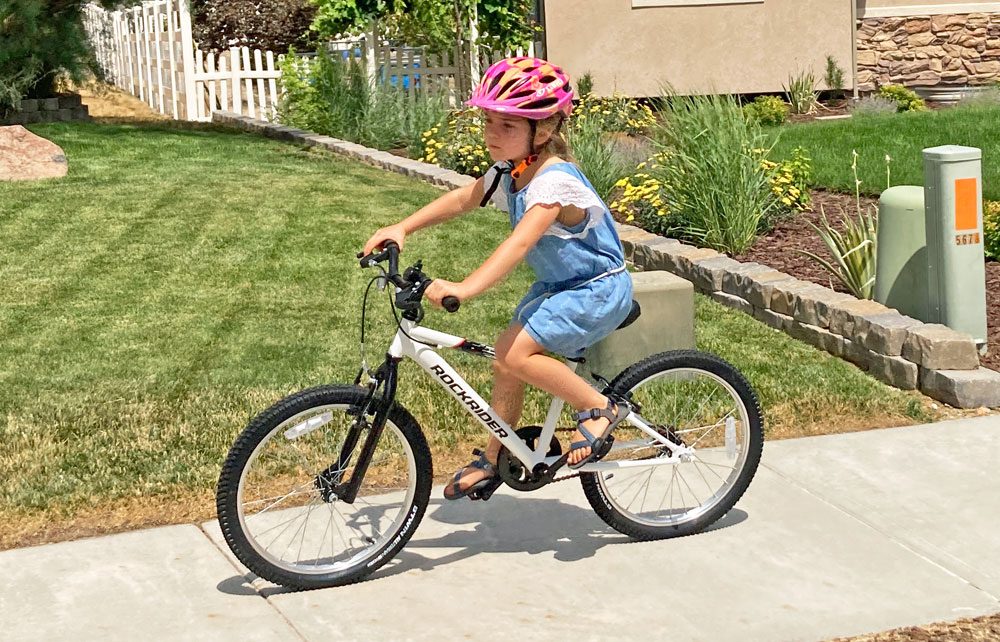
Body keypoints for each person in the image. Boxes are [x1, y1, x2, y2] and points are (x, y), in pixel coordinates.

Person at [362, 57, 633, 500]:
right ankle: (495, 458)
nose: (491, 134)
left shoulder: (554, 183)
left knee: (514, 354)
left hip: (596, 289)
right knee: (505, 361)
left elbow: (520, 245)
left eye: (507, 126)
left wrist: (463, 288)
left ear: (542, 131)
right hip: (559, 287)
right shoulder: (512, 170)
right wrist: (402, 227)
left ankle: (600, 408)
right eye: (488, 121)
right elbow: (463, 198)